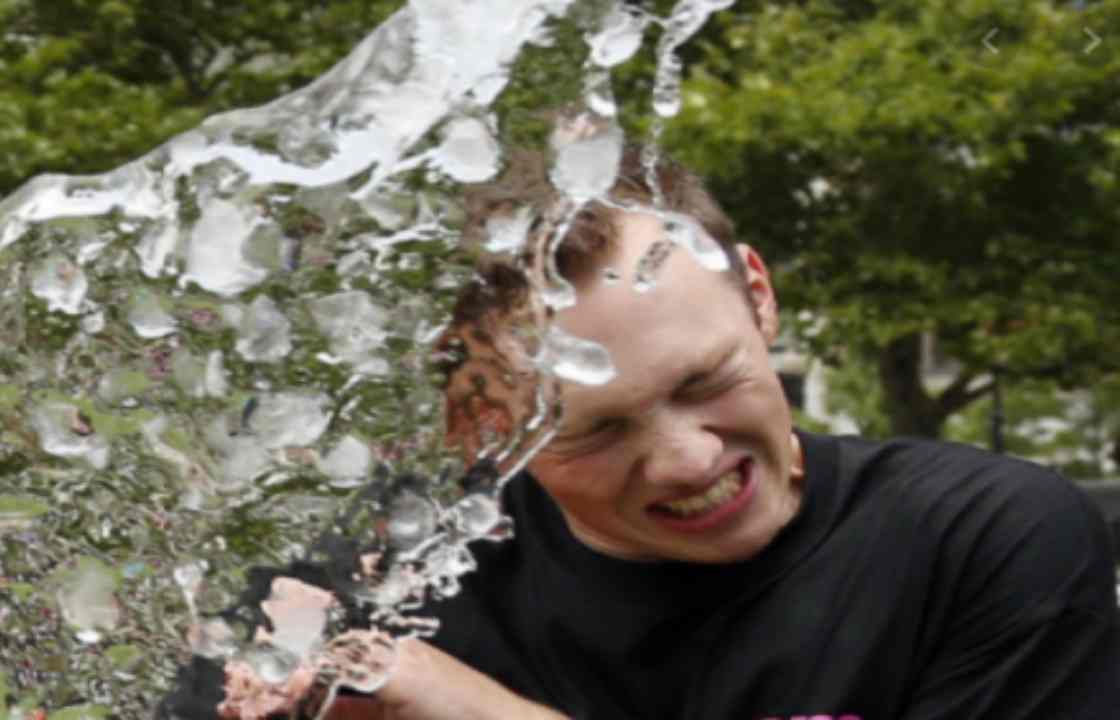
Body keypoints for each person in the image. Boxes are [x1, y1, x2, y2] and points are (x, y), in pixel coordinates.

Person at [162, 144, 1120, 719]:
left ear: (758, 294)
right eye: (596, 432)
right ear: (478, 429)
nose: (692, 459)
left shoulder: (977, 543)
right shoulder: (350, 601)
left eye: (709, 380)